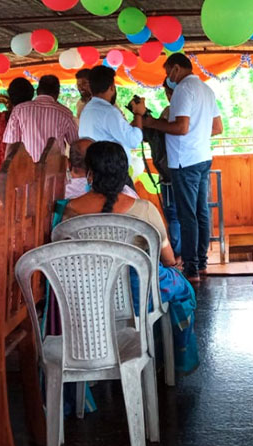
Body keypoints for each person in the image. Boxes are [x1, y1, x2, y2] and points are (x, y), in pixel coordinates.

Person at [62, 141, 198, 373]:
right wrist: (174, 265)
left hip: (87, 300)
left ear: (90, 173)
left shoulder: (69, 211)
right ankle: (173, 358)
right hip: (140, 296)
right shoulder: (143, 209)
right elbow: (166, 255)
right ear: (123, 172)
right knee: (182, 289)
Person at [142, 53, 223, 283]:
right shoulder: (206, 90)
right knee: (201, 212)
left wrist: (150, 123)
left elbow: (181, 127)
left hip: (184, 161)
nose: (168, 78)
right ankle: (201, 263)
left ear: (177, 69)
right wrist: (197, 134)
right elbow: (217, 127)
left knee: (188, 215)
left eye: (168, 72)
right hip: (203, 158)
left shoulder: (182, 90)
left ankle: (191, 268)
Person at [141, 80, 181, 257]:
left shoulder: (171, 112)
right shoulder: (171, 111)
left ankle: (178, 253)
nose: (168, 96)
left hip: (170, 170)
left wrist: (149, 122)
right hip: (180, 168)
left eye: (169, 92)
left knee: (173, 214)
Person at [79, 65, 145, 165]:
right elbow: (133, 140)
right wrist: (138, 114)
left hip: (95, 169)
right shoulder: (109, 112)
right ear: (111, 87)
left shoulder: (87, 110)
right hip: (111, 172)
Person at [3, 74, 78, 162]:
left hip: (28, 169)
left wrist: (8, 170)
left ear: (38, 91)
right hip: (55, 170)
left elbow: (12, 144)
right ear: (57, 94)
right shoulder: (65, 113)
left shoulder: (19, 110)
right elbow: (75, 144)